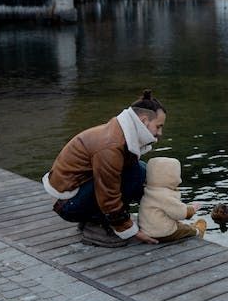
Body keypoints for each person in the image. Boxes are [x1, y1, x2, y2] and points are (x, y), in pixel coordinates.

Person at [43, 89, 165, 247]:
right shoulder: (111, 147)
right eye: (159, 126)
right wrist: (131, 230)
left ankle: (93, 218)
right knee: (135, 174)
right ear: (143, 121)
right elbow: (108, 194)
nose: (160, 133)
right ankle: (97, 226)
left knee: (140, 170)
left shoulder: (118, 134)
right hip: (68, 206)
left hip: (72, 195)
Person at [138, 157, 207, 241]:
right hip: (162, 233)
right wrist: (192, 209)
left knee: (172, 221)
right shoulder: (165, 196)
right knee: (185, 230)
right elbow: (181, 213)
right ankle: (198, 232)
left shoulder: (149, 190)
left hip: (146, 229)